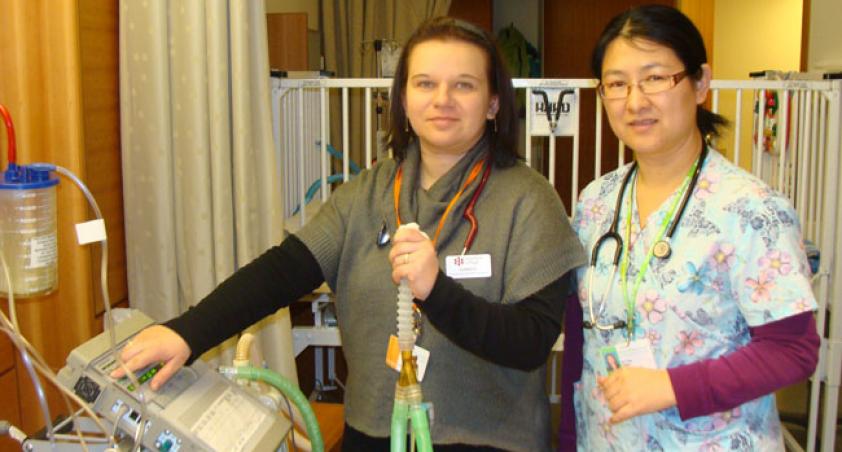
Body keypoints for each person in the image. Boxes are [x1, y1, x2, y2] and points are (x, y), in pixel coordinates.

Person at [114, 17, 585, 452]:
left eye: (464, 85)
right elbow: (282, 272)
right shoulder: (368, 194)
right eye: (425, 84)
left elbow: (529, 344)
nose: (442, 99)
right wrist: (186, 333)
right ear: (403, 100)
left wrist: (436, 292)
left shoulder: (530, 200)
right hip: (375, 432)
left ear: (494, 103)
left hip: (489, 442)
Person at [561, 5, 820, 451]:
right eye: (617, 84)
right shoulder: (595, 201)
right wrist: (568, 438)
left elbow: (794, 351)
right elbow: (580, 335)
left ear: (700, 83)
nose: (635, 101)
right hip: (605, 438)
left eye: (656, 78)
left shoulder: (751, 209)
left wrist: (674, 387)